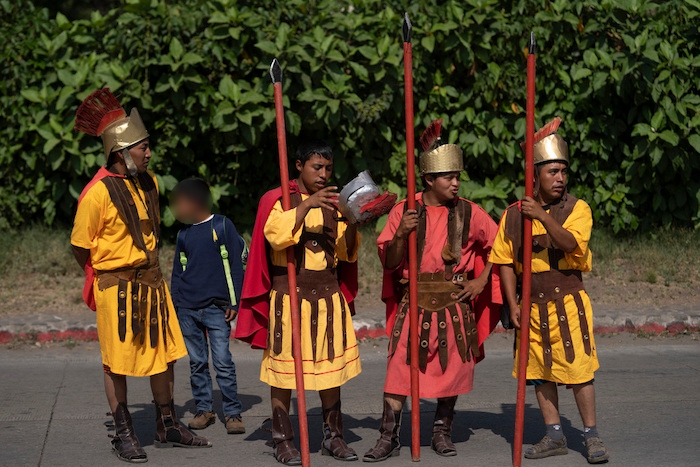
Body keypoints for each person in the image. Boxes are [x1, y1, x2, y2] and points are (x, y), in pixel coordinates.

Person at [71, 89, 211, 463]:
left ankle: (167, 424)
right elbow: (80, 246)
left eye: (148, 147)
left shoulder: (149, 182)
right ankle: (124, 433)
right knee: (116, 363)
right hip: (116, 288)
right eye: (142, 147)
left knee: (165, 356)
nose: (149, 153)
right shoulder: (96, 193)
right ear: (121, 151)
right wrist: (104, 277)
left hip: (153, 284)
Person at [363, 120, 502, 462]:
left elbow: (502, 246)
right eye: (448, 177)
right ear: (428, 180)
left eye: (458, 176)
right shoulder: (404, 211)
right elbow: (390, 263)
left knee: (451, 370)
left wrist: (481, 281)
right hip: (416, 302)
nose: (456, 182)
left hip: (455, 303)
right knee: (399, 368)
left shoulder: (470, 211)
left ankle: (442, 431)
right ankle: (388, 436)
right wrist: (400, 234)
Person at [489, 118, 610, 464]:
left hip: (567, 303)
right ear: (535, 176)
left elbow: (570, 242)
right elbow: (505, 263)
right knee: (539, 372)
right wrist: (512, 305)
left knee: (579, 371)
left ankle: (591, 435)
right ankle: (554, 434)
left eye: (563, 171)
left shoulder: (578, 208)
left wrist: (541, 216)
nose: (559, 178)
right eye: (552, 172)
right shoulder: (513, 215)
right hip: (531, 305)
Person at [235, 140, 362, 465]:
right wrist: (306, 206)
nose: (323, 175)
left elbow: (347, 253)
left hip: (328, 299)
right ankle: (283, 439)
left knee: (330, 372)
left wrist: (354, 221)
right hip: (289, 300)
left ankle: (334, 437)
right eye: (316, 168)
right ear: (299, 166)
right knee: (284, 373)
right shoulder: (279, 200)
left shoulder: (335, 205)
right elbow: (275, 235)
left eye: (328, 169)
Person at [170, 177, 247, 435]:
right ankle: (204, 410)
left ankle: (233, 413)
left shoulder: (222, 226)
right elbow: (177, 274)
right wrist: (175, 305)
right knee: (197, 363)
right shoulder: (183, 234)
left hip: (217, 309)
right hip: (187, 310)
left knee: (223, 361)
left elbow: (235, 266)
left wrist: (235, 301)